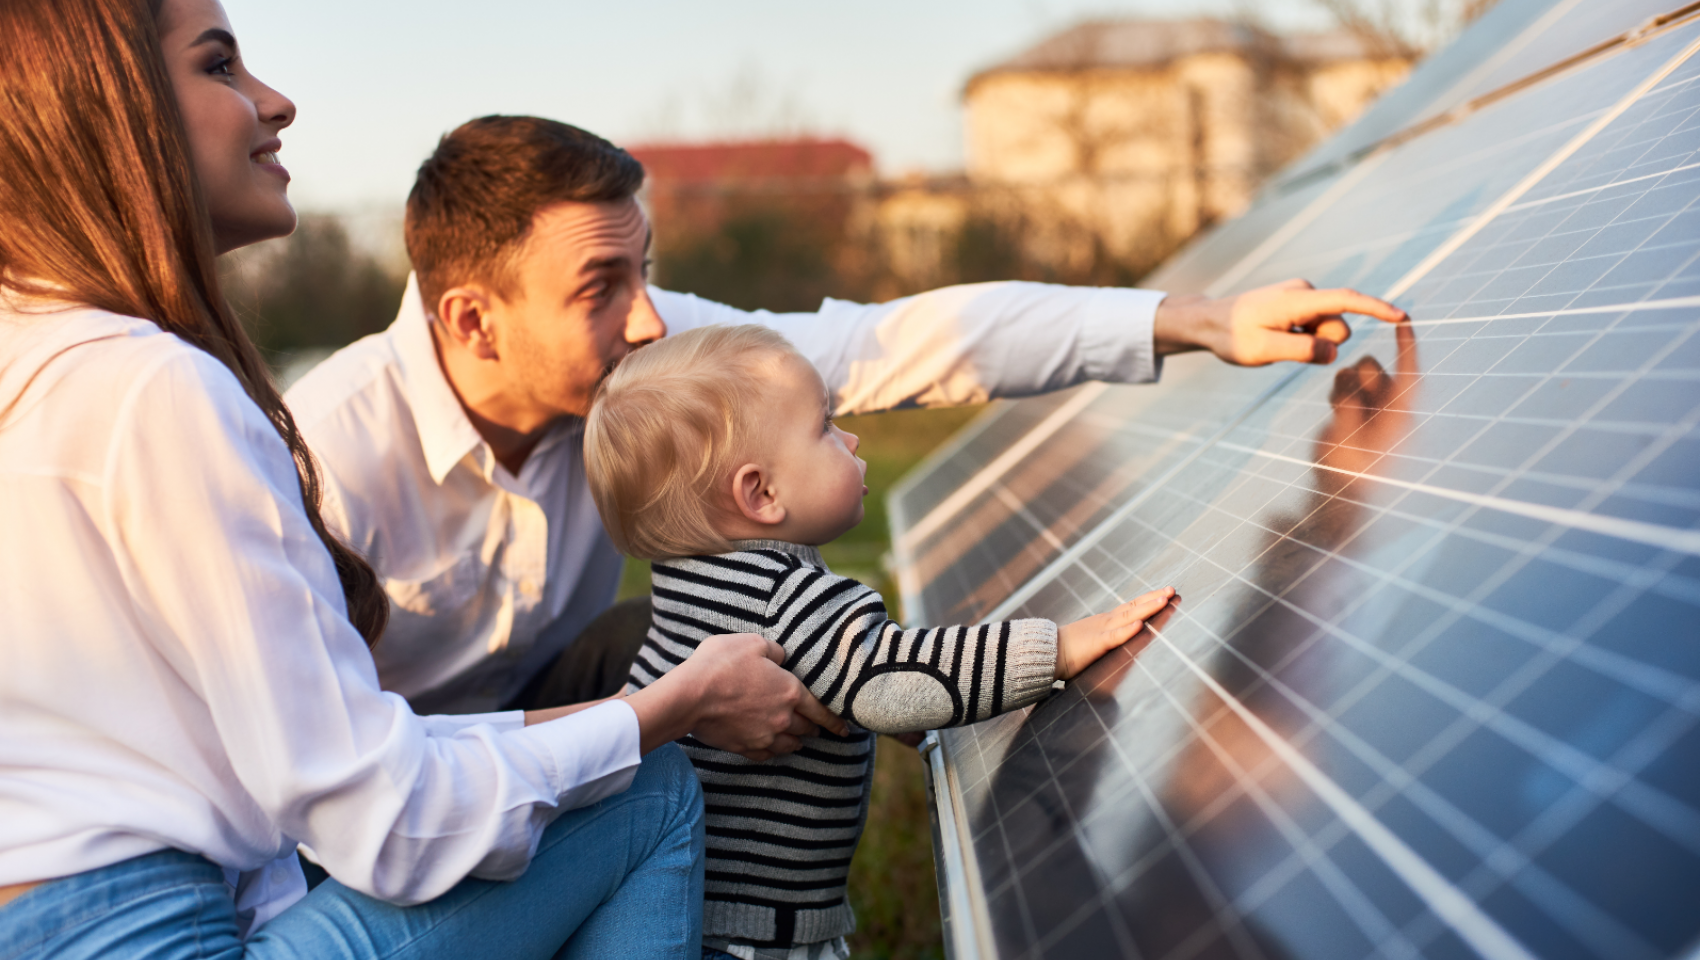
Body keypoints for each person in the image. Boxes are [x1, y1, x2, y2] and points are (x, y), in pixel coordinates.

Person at [0, 0, 842, 957]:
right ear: (109, 111)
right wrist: (670, 711)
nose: (277, 102)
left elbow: (337, 769)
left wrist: (638, 709)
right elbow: (386, 825)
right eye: (220, 65)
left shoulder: (33, 366)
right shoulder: (156, 389)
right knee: (646, 792)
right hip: (157, 935)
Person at [285, 115, 1409, 719]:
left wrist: (1193, 319)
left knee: (749, 637)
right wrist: (658, 721)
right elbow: (321, 770)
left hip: (554, 709)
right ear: (473, 322)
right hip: (388, 797)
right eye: (599, 291)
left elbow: (890, 343)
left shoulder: (646, 355)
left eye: (646, 273)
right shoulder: (324, 459)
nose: (645, 326)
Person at [582, 323, 1181, 959]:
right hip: (760, 938)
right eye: (825, 427)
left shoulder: (687, 587)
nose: (852, 437)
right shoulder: (790, 600)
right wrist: (1056, 649)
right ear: (761, 494)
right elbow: (894, 679)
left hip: (693, 908)